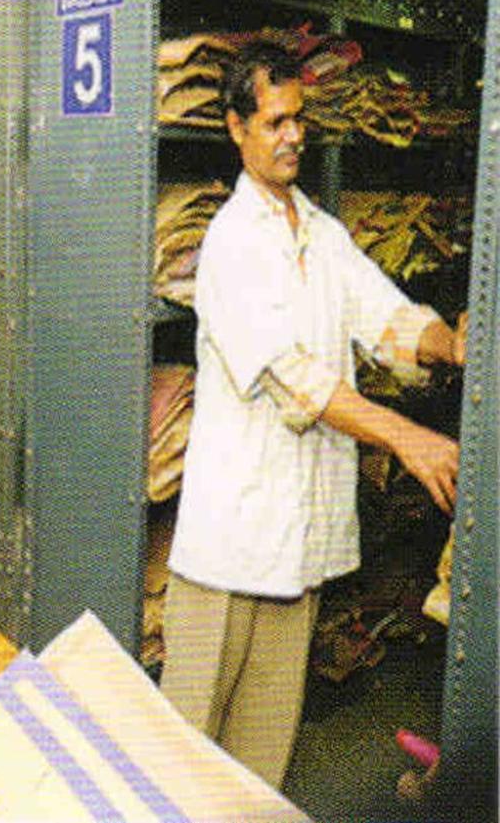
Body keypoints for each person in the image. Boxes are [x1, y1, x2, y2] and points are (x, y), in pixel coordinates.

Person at [160, 42, 467, 789]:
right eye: (274, 121)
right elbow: (294, 378)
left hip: (294, 548)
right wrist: (408, 436)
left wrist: (450, 343)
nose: (292, 134)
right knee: (184, 742)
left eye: (298, 118)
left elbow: (385, 314)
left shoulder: (319, 233)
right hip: (230, 545)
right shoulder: (231, 242)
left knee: (263, 749)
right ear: (237, 128)